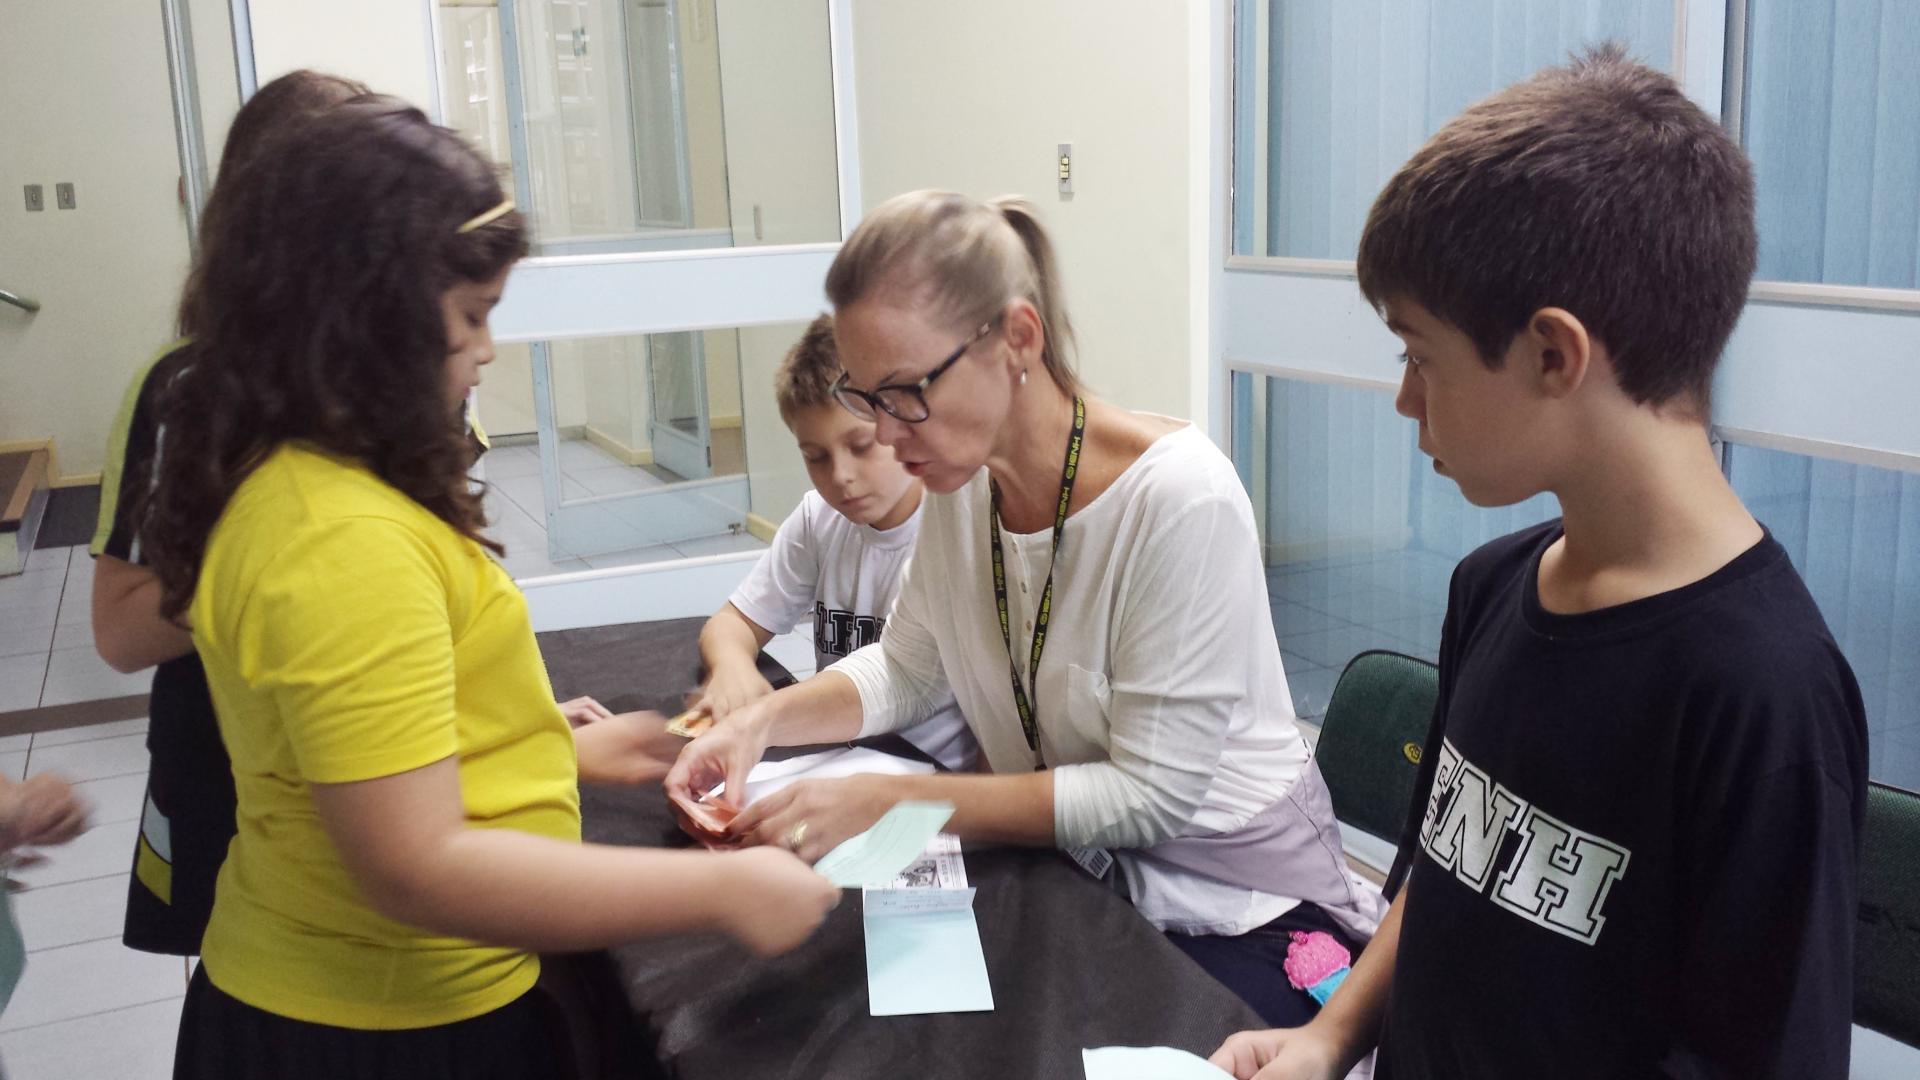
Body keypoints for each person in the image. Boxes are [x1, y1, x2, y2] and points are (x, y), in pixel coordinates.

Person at [140, 99, 836, 1079]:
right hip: (372, 1034)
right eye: (471, 316)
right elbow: (417, 864)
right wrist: (723, 896)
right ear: (361, 318)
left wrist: (556, 748)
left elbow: (368, 748)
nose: (488, 349)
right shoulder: (343, 538)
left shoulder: (310, 485)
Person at [1211, 45, 1865, 1080]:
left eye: (1419, 356)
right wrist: (1332, 1037)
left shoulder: (1761, 697)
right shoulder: (1493, 588)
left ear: (1554, 355)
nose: (1405, 400)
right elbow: (1443, 868)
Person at [668, 189, 1384, 1027]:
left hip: (1237, 896)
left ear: (1017, 339)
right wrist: (760, 723)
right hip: (1077, 868)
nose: (889, 438)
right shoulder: (959, 482)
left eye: (903, 393)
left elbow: (1149, 796)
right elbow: (909, 666)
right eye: (868, 399)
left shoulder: (1179, 500)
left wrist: (895, 803)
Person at [694, 313, 977, 772]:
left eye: (861, 447)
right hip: (836, 751)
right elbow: (733, 621)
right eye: (815, 457)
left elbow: (903, 681)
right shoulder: (819, 518)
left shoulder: (954, 530)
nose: (840, 476)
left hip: (929, 774)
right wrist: (732, 667)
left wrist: (765, 718)